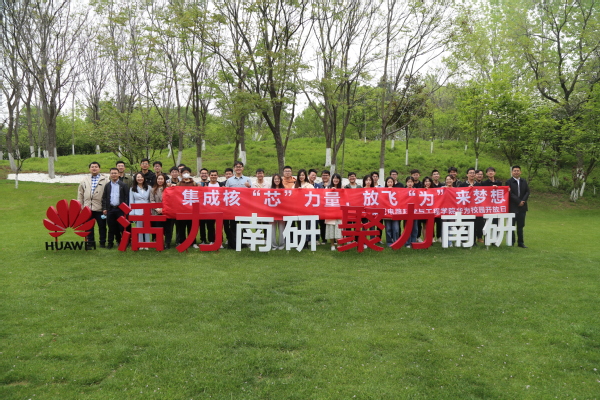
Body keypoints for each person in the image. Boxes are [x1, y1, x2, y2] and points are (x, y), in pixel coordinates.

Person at [77, 161, 108, 248]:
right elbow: (80, 194)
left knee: (102, 226)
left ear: (99, 168)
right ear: (89, 169)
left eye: (96, 167)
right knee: (88, 226)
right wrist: (81, 206)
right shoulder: (84, 180)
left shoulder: (105, 180)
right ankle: (90, 242)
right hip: (87, 208)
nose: (94, 168)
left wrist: (106, 207)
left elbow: (107, 194)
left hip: (100, 208)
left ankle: (102, 243)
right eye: (92, 167)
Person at [225, 161, 252, 249]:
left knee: (246, 224)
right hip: (233, 206)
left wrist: (249, 187)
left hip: (244, 207)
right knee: (233, 225)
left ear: (243, 168)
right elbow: (226, 193)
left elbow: (252, 193)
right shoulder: (229, 180)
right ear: (234, 168)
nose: (238, 168)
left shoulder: (247, 179)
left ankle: (248, 242)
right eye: (237, 167)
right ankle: (234, 243)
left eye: (240, 166)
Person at [102, 167, 129, 249]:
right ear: (110, 174)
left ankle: (124, 242)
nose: (114, 175)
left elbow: (126, 197)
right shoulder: (107, 185)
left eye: (115, 173)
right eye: (112, 173)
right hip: (110, 209)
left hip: (120, 209)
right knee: (111, 227)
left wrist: (125, 208)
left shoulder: (123, 185)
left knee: (122, 227)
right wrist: (104, 208)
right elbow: (104, 198)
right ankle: (110, 243)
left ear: (119, 174)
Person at [506, 165, 529, 248]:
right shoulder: (509, 182)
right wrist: (518, 201)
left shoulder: (524, 181)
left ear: (520, 172)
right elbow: (510, 193)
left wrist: (523, 201)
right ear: (512, 172)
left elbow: (527, 192)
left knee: (520, 226)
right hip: (513, 207)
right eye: (514, 171)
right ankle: (511, 242)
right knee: (511, 225)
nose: (516, 172)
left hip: (522, 207)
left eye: (518, 171)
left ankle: (520, 242)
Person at [176, 167, 197, 247]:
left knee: (191, 226)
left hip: (192, 209)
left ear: (190, 173)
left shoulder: (194, 183)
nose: (186, 174)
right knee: (182, 226)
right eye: (184, 172)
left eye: (187, 172)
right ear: (181, 174)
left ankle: (193, 242)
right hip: (182, 208)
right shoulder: (179, 184)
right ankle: (182, 241)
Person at [150, 173, 172, 249]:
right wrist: (157, 209)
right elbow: (152, 200)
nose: (160, 180)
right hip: (156, 212)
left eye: (162, 179)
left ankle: (167, 243)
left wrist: (163, 209)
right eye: (158, 179)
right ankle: (159, 242)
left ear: (164, 180)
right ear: (156, 180)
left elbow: (170, 201)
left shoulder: (168, 189)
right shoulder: (153, 190)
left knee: (168, 228)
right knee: (158, 228)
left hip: (166, 212)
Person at [130, 172, 151, 249]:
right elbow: (131, 201)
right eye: (138, 177)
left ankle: (147, 244)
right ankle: (140, 244)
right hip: (137, 210)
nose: (140, 179)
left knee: (147, 228)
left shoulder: (149, 187)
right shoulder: (132, 189)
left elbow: (150, 199)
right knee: (139, 228)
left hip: (147, 210)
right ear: (135, 179)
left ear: (144, 178)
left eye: (141, 177)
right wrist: (132, 213)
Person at [325, 173, 343, 251]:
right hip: (330, 211)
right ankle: (332, 244)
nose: (336, 180)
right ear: (332, 179)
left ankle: (338, 244)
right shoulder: (327, 187)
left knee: (339, 228)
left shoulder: (342, 188)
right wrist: (330, 191)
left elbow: (345, 198)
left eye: (337, 178)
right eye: (334, 178)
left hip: (339, 212)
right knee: (331, 228)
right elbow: (323, 197)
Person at [270, 174, 286, 250]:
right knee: (272, 229)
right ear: (273, 180)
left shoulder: (284, 190)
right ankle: (273, 245)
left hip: (281, 213)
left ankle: (282, 245)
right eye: (275, 179)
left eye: (278, 179)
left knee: (282, 229)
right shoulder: (269, 190)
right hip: (271, 213)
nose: (277, 180)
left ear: (280, 180)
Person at [383, 177, 399, 247]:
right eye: (388, 182)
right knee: (388, 228)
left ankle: (396, 241)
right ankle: (389, 242)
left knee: (396, 228)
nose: (390, 183)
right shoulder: (383, 191)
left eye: (391, 182)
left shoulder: (397, 191)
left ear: (393, 183)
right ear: (386, 183)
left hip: (395, 212)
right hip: (387, 212)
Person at [404, 177, 419, 248]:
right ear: (406, 183)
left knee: (415, 228)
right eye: (408, 182)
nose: (410, 183)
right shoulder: (403, 191)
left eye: (411, 182)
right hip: (406, 212)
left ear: (413, 183)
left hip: (415, 211)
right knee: (407, 228)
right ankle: (407, 242)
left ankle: (413, 241)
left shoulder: (416, 191)